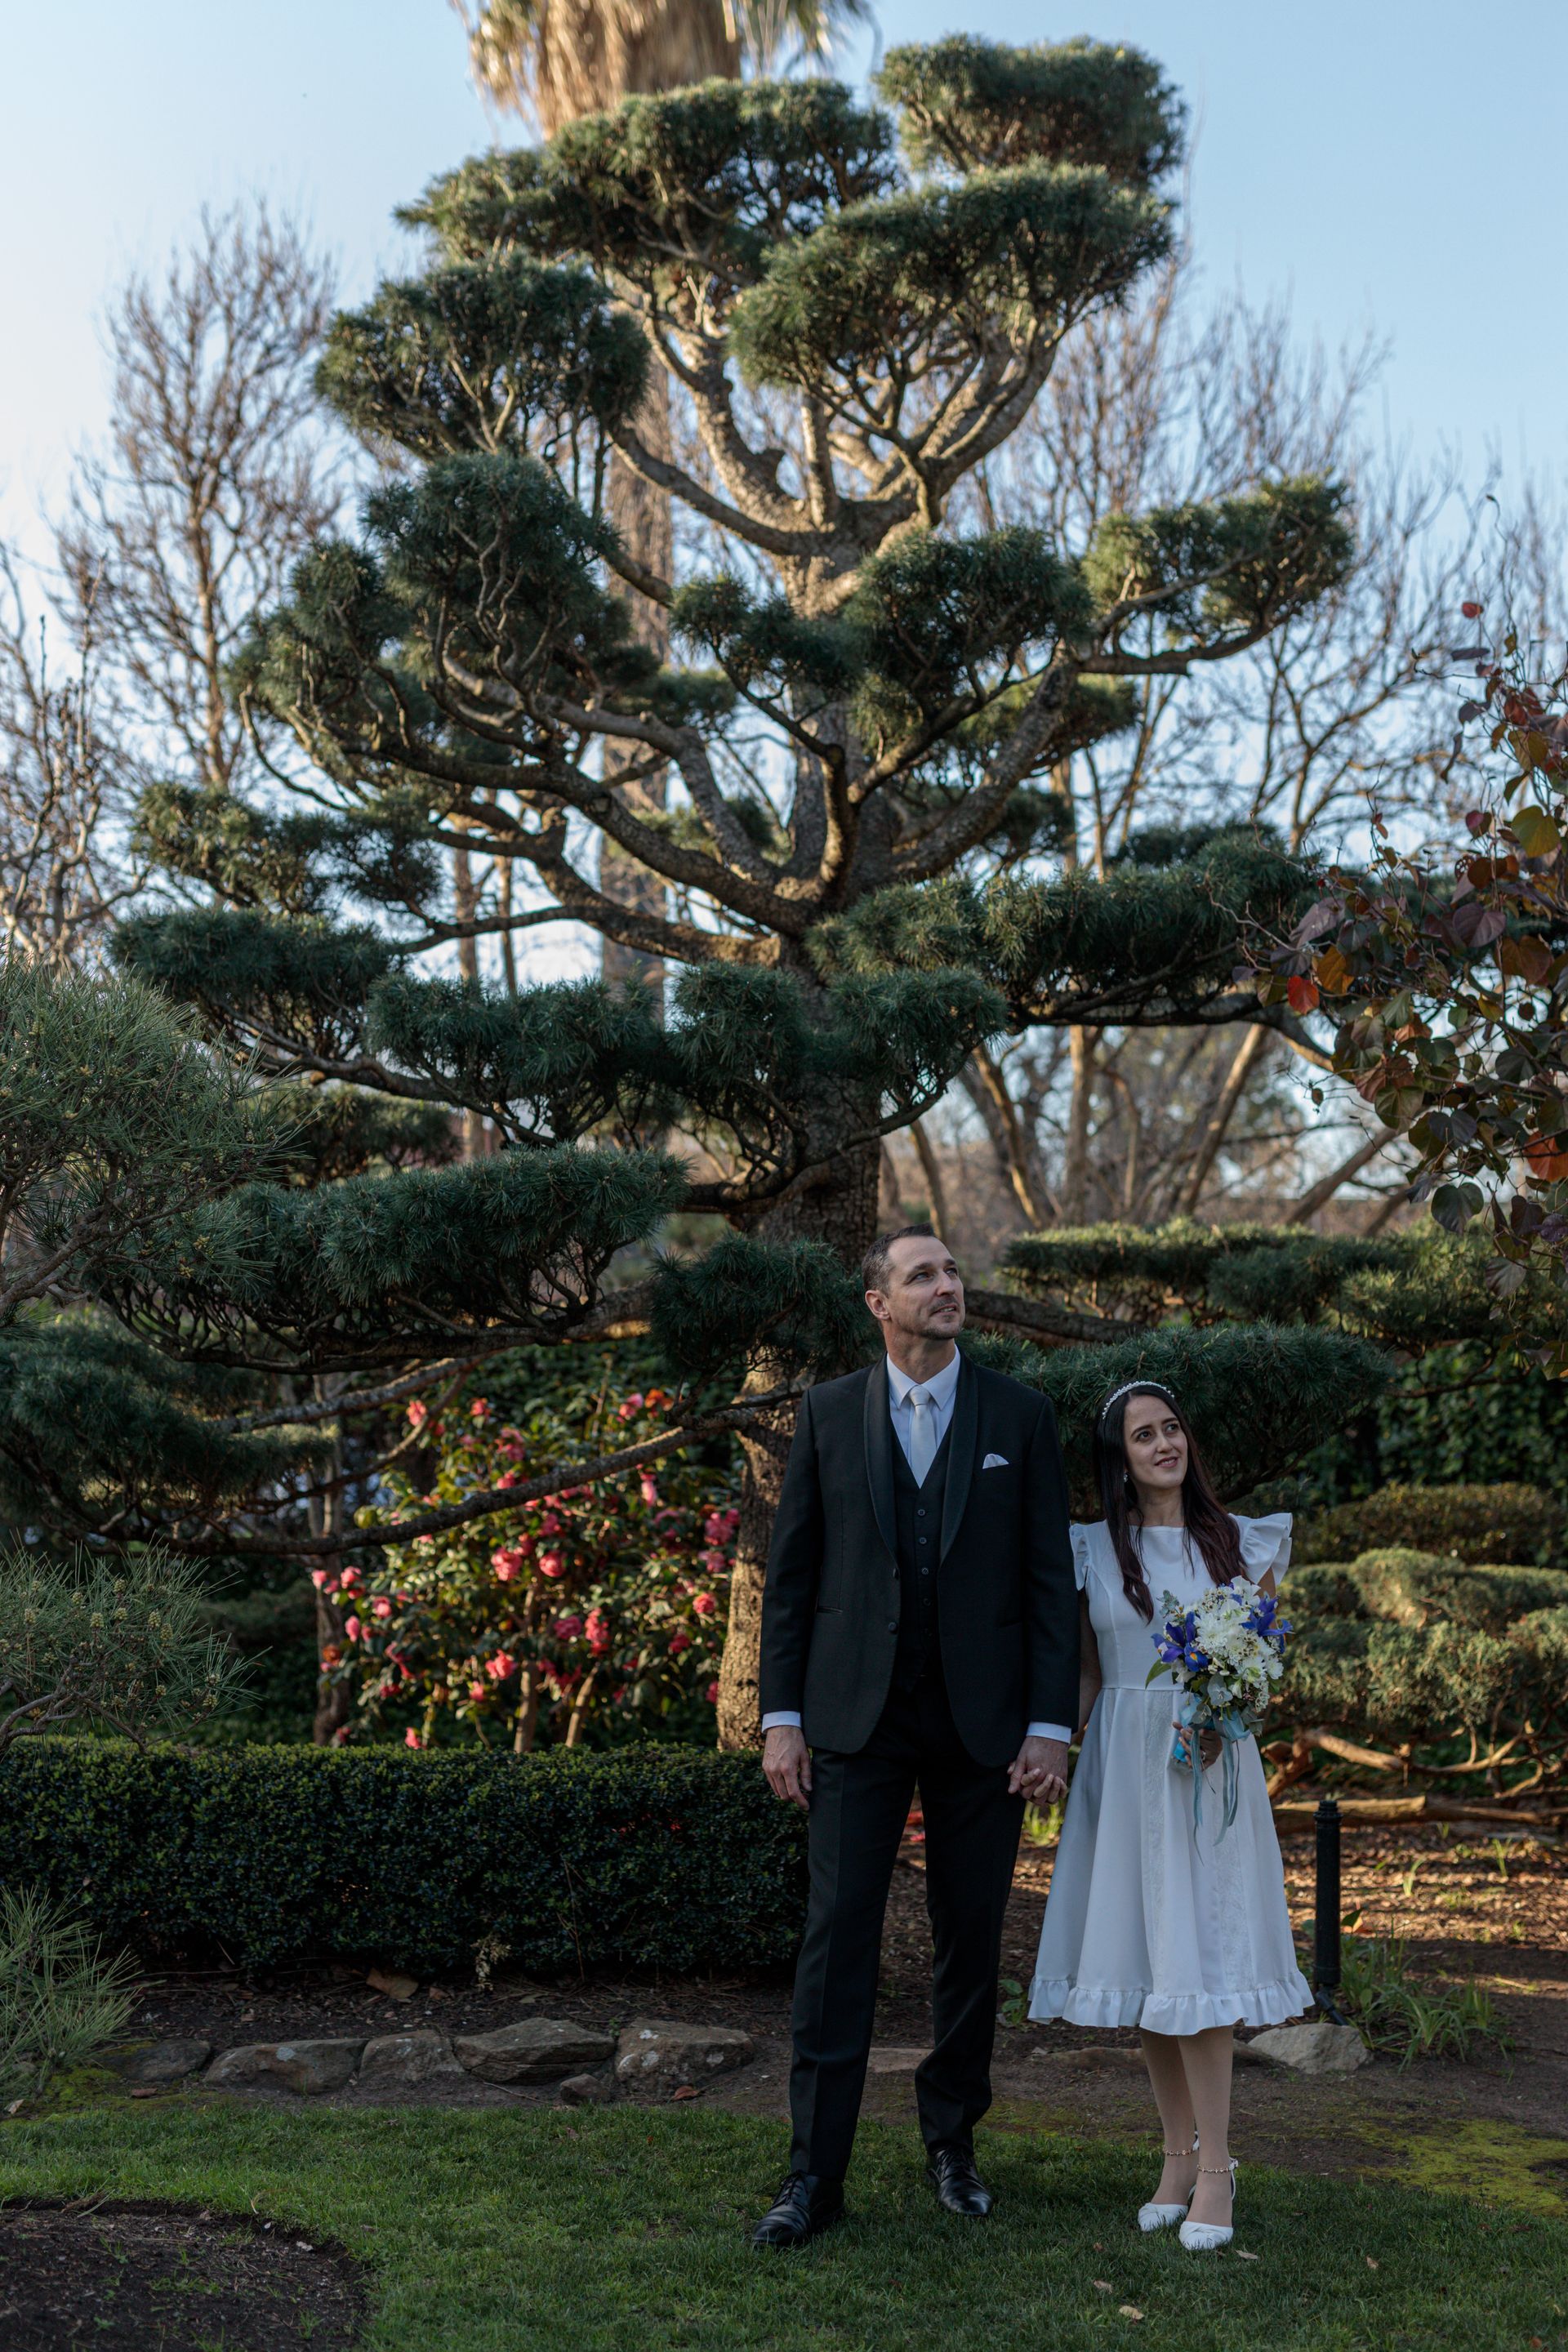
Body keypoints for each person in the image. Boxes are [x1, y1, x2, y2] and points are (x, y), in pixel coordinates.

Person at [751, 1225, 1078, 2249]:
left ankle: (953, 2145)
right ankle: (815, 2175)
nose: (949, 1285)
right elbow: (792, 1578)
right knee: (835, 1944)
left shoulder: (1020, 1416)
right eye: (923, 1275)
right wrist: (783, 1718)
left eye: (951, 1271)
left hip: (985, 1728)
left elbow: (1045, 1585)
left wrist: (1049, 1725)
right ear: (878, 1304)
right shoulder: (828, 1412)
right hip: (857, 1719)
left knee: (970, 1945)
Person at [1029, 1380, 1311, 2252]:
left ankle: (1221, 2168)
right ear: (1119, 1457)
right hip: (1124, 1763)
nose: (1164, 1444)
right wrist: (1049, 1743)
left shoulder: (1239, 1542)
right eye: (1144, 1435)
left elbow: (1262, 1664)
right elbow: (1084, 1671)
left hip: (1207, 1775)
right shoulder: (1090, 1551)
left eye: (1173, 1428)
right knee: (1154, 1973)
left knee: (1200, 1968)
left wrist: (1227, 1717)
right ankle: (1175, 2159)